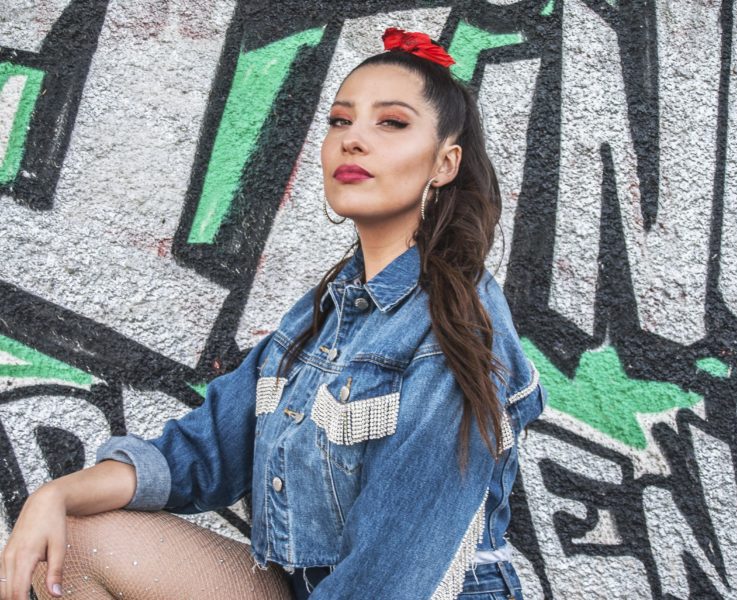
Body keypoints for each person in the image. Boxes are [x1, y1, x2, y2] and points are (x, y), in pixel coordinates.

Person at [0, 27, 546, 600]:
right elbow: (201, 453)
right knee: (73, 541)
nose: (353, 140)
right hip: (309, 588)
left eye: (391, 122)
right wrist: (56, 495)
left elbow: (391, 574)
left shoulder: (456, 325)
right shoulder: (322, 317)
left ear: (445, 163)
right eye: (340, 121)